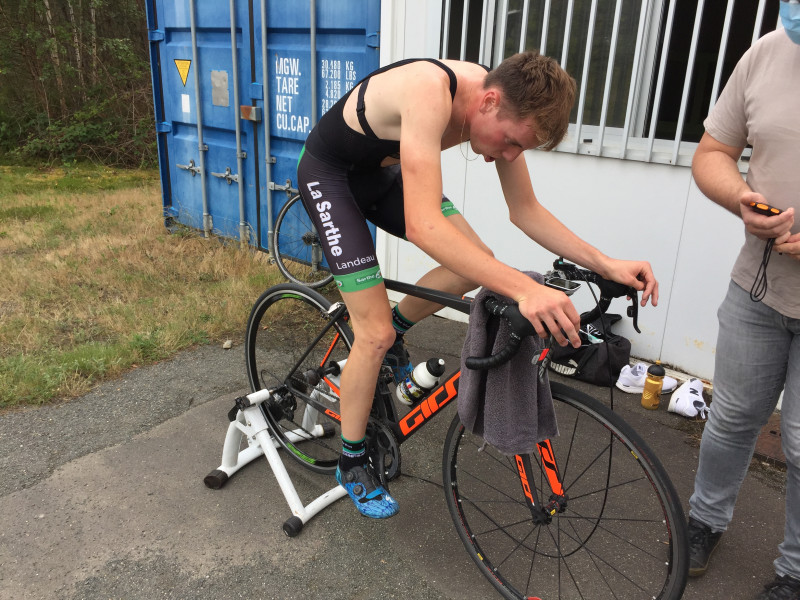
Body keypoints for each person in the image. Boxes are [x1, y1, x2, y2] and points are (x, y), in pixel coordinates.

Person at [296, 51, 659, 519]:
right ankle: (351, 461)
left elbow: (525, 210)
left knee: (475, 262)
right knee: (374, 332)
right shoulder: (430, 90)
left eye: (521, 150)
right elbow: (424, 226)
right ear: (489, 102)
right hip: (331, 177)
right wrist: (526, 289)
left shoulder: (503, 102)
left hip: (382, 172)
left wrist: (606, 263)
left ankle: (397, 335)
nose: (509, 156)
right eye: (511, 143)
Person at [686, 3, 800, 598]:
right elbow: (712, 154)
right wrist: (740, 198)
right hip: (757, 288)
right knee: (730, 418)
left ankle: (795, 570)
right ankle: (704, 521)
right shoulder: (768, 52)